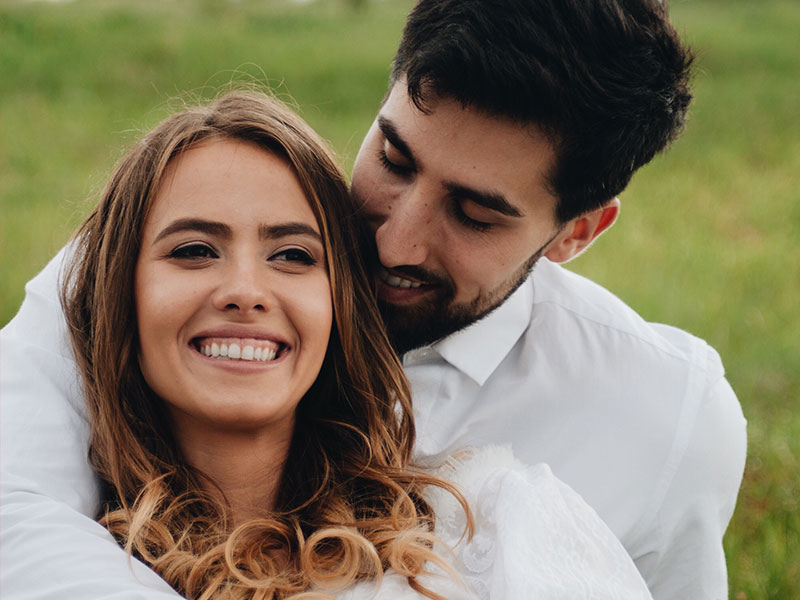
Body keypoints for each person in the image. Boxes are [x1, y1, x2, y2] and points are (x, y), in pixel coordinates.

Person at [1, 0, 746, 598]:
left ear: (576, 233)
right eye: (394, 158)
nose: (395, 242)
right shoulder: (142, 271)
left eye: (474, 214)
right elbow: (12, 507)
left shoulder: (661, 415)